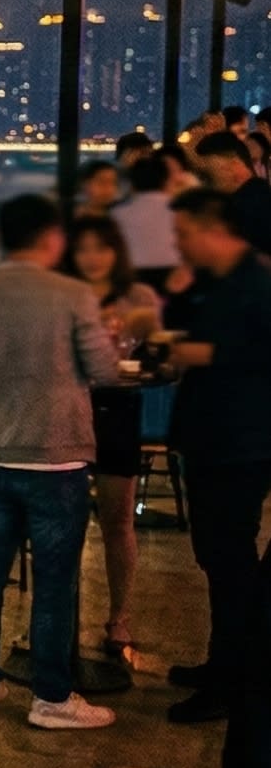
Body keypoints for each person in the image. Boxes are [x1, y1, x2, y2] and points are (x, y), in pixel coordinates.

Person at [0, 195, 125, 727]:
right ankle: (51, 698)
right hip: (57, 458)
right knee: (54, 580)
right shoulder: (73, 295)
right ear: (50, 239)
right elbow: (104, 367)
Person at [155, 190, 271, 725]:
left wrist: (173, 349)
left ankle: (231, 679)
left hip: (238, 445)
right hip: (216, 441)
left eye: (182, 235)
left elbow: (233, 355)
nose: (177, 245)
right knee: (217, 559)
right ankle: (223, 665)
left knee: (229, 563)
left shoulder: (255, 284)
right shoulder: (219, 283)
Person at [60, 215, 162, 661]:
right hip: (69, 410)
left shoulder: (138, 296)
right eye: (84, 248)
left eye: (102, 248)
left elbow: (160, 355)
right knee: (62, 520)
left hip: (118, 409)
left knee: (118, 519)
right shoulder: (63, 296)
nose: (93, 257)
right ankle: (57, 619)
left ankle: (118, 617)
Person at [115, 149, 195, 279]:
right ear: (166, 180)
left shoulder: (117, 213)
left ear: (133, 183)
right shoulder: (181, 211)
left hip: (131, 276)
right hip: (175, 275)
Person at [195, 129, 271, 254]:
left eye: (210, 172)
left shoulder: (249, 207)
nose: (208, 180)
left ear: (234, 165)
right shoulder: (257, 197)